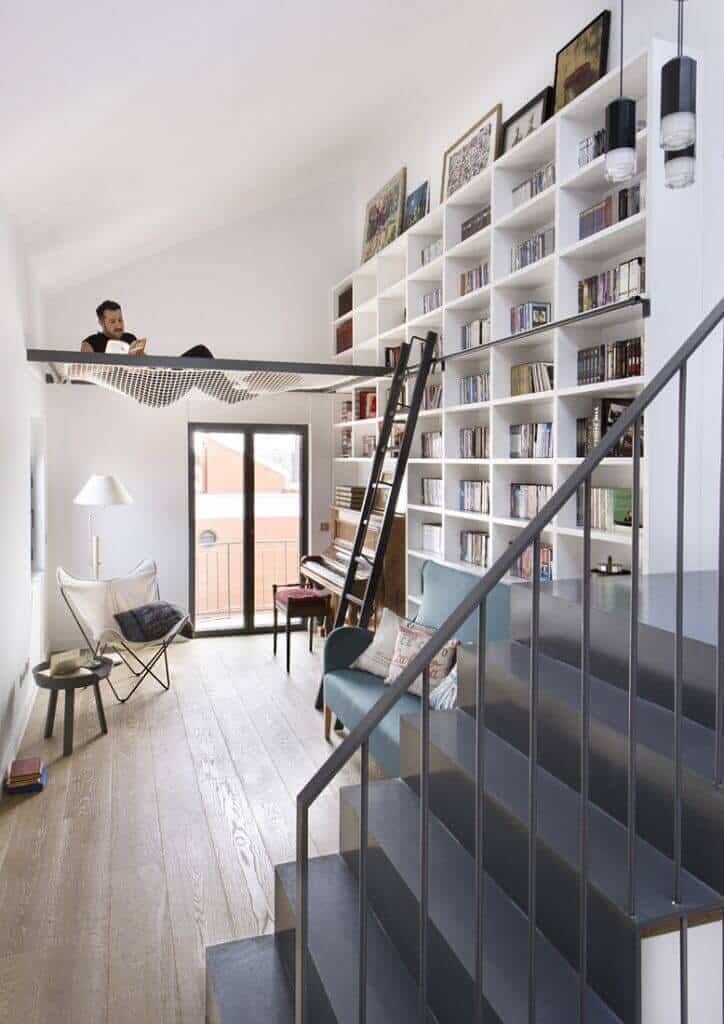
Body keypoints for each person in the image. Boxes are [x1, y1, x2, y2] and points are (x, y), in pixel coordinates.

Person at [81, 299, 214, 358]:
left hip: (154, 383)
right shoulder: (91, 342)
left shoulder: (129, 338)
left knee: (200, 352)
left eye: (120, 320)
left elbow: (147, 365)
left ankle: (226, 393)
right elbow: (80, 373)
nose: (119, 325)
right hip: (134, 387)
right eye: (113, 321)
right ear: (101, 323)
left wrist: (140, 356)